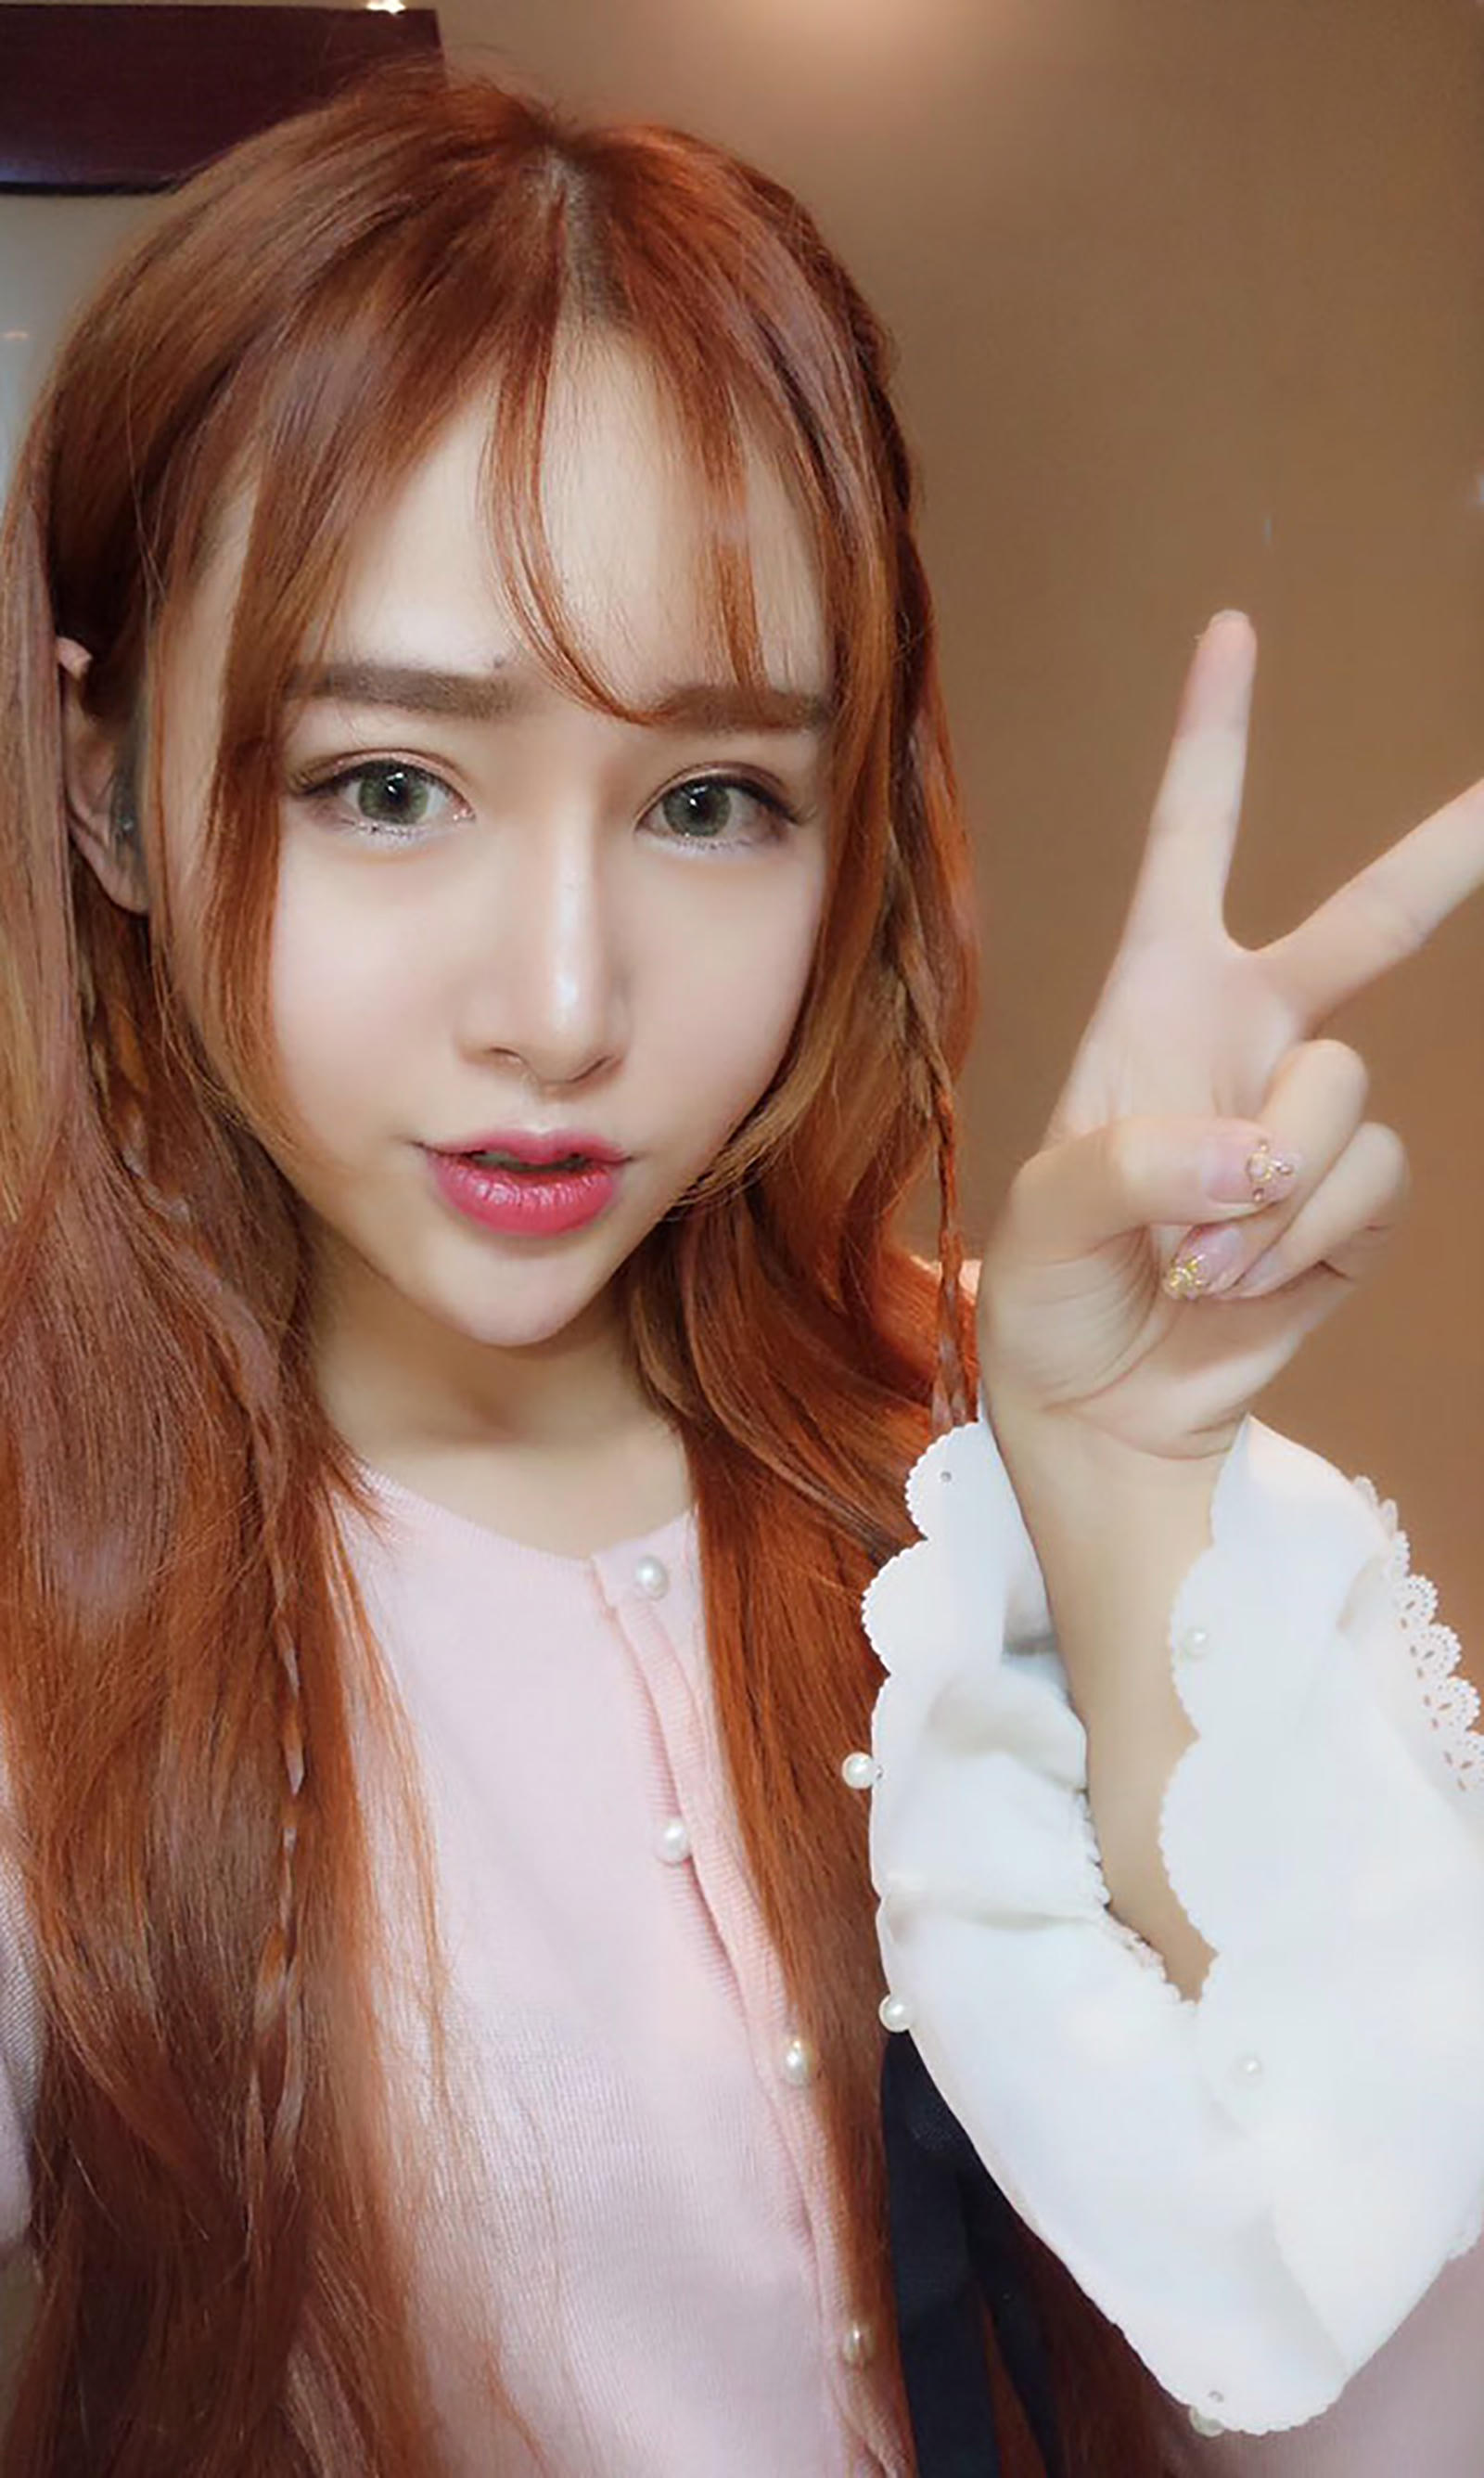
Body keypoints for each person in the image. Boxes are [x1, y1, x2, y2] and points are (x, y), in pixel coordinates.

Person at [0, 55, 1478, 2478]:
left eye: (709, 801)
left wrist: (1130, 1528)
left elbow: (1391, 2413)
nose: (563, 1004)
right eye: (389, 783)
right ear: (107, 786)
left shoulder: (1025, 1458)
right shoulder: (53, 1617)